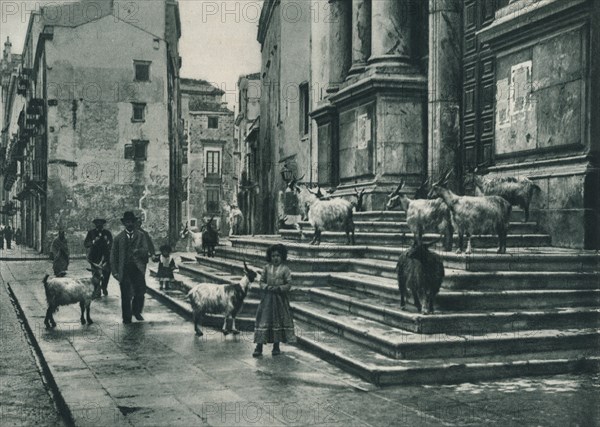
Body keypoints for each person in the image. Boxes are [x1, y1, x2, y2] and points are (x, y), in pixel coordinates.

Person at [252, 243, 296, 357]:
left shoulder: (285, 269)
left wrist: (279, 288)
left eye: (277, 256)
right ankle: (259, 346)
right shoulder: (266, 268)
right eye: (273, 256)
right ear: (269, 257)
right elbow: (261, 282)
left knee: (278, 322)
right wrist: (267, 287)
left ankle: (276, 346)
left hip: (280, 300)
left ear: (282, 256)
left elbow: (289, 284)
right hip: (267, 300)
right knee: (264, 321)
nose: (275, 258)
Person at [110, 211, 149, 324]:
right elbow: (113, 256)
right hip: (124, 269)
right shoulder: (118, 238)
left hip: (137, 269)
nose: (130, 224)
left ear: (134, 222)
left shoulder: (141, 236)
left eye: (132, 221)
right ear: (124, 223)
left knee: (140, 292)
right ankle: (126, 317)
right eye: (127, 222)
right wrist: (115, 272)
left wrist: (138, 251)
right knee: (125, 294)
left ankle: (137, 311)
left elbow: (145, 250)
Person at [84, 219, 113, 296]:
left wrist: (108, 243)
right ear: (95, 224)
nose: (99, 225)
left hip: (106, 257)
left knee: (106, 273)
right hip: (94, 257)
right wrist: (93, 241)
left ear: (103, 224)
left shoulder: (107, 233)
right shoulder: (91, 233)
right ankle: (97, 291)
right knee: (96, 274)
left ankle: (104, 287)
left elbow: (112, 245)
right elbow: (86, 244)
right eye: (97, 224)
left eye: (101, 224)